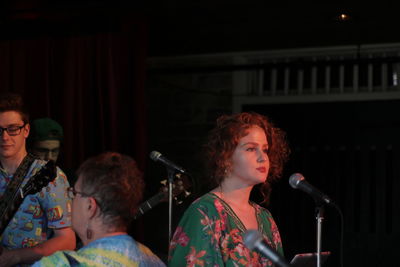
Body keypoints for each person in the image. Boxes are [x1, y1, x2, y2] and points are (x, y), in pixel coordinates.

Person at [168, 112, 290, 266]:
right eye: (251, 149)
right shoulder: (205, 212)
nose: (262, 157)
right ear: (225, 158)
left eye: (265, 150)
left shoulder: (266, 219)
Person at [32, 152, 166, 267]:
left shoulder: (59, 264)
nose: (71, 200)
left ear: (90, 206)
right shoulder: (152, 260)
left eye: (74, 193)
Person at [0, 93, 75, 266]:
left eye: (12, 129)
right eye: (0, 130)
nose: (5, 137)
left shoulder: (49, 175)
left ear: (25, 130)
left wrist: (13, 257)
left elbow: (67, 241)